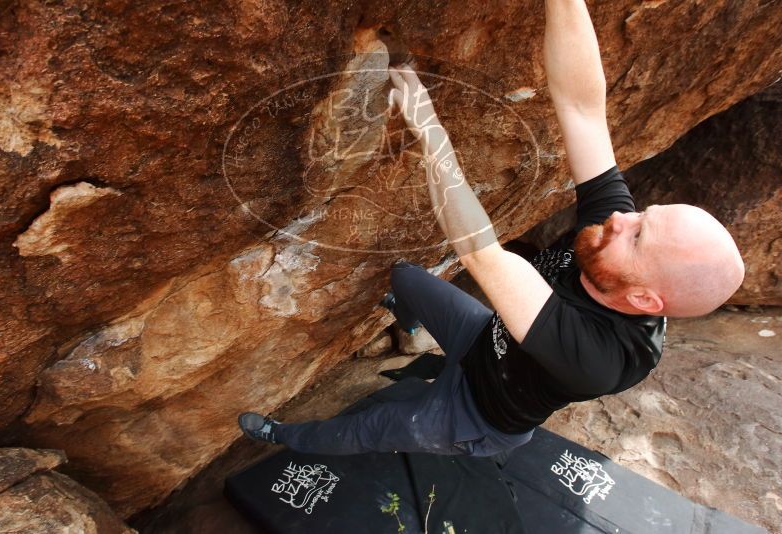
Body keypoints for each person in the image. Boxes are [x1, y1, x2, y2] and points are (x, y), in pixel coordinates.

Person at [237, 0, 744, 456]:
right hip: (485, 338)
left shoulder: (602, 358)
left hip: (478, 414)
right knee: (405, 278)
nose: (619, 216)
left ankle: (281, 436)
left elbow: (481, 254)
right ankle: (412, 327)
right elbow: (583, 110)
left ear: (644, 301)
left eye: (637, 235)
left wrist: (426, 121)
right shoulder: (616, 236)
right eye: (642, 213)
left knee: (371, 426)